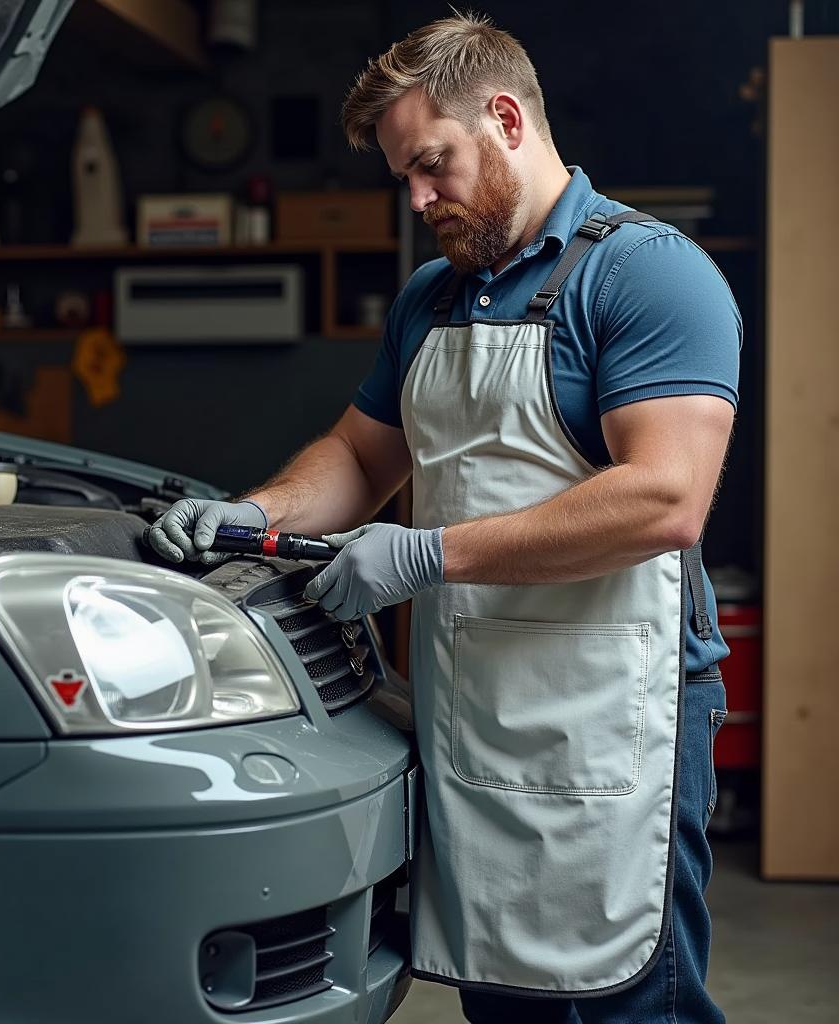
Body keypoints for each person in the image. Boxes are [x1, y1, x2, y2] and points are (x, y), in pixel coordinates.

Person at [148, 12, 739, 1023]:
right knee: (503, 991)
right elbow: (355, 457)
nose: (418, 198)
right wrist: (244, 516)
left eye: (431, 165)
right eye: (403, 179)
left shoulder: (643, 275)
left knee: (627, 999)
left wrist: (425, 553)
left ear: (505, 118)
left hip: (613, 711)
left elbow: (665, 498)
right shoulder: (433, 297)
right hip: (474, 711)